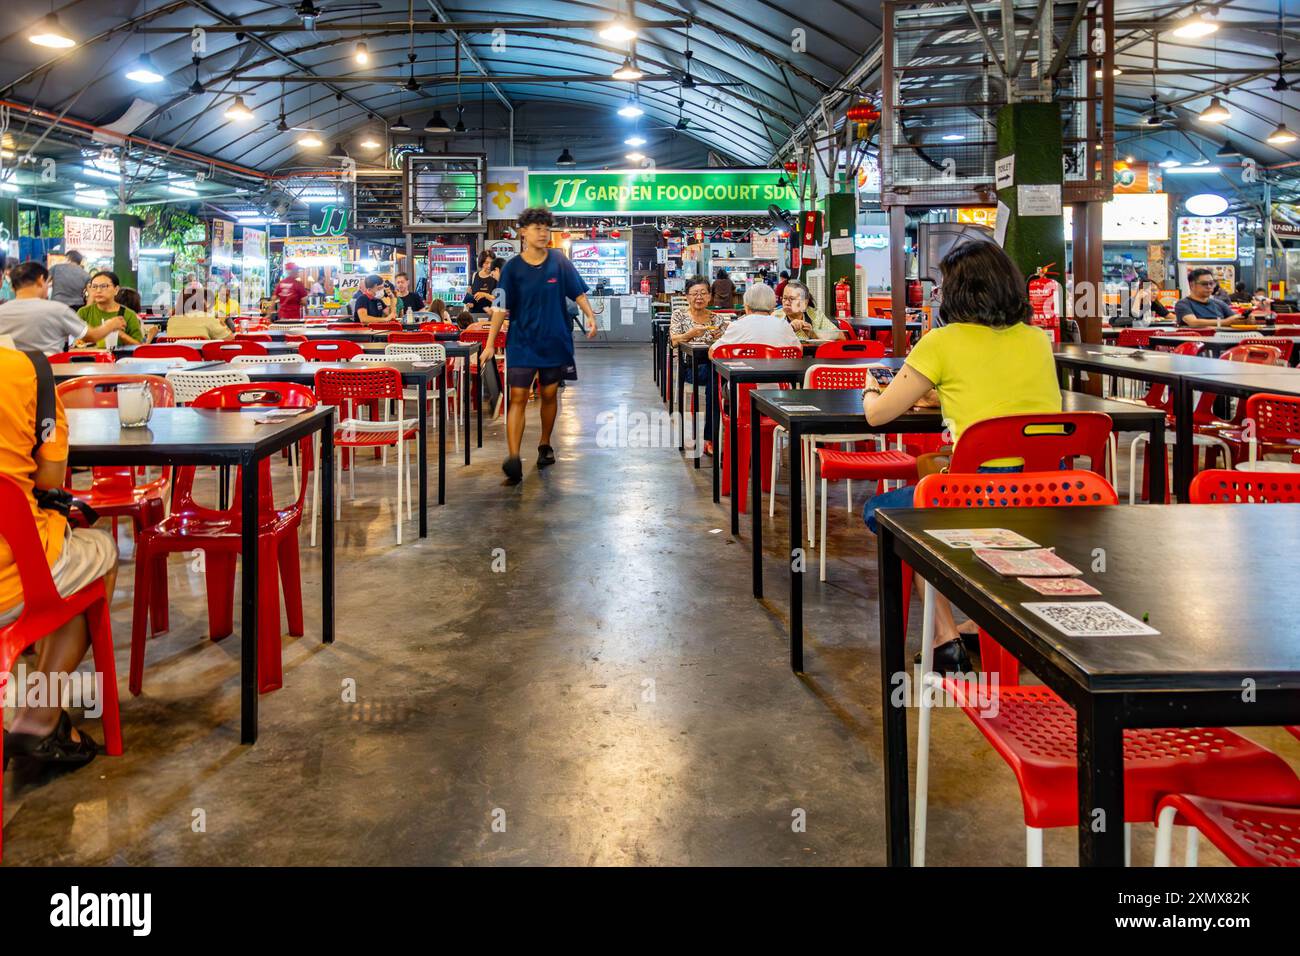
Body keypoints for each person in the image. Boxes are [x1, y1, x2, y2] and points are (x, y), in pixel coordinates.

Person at [860, 242, 1062, 672]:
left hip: (972, 497)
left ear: (958, 291)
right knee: (926, 507)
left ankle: (944, 638)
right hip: (1046, 496)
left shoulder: (941, 342)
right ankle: (983, 620)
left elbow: (878, 417)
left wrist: (870, 387)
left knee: (888, 512)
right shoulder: (1037, 339)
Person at [0, 345, 117, 767]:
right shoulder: (27, 369)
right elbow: (50, 476)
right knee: (99, 553)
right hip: (9, 584)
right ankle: (38, 714)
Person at [483, 205, 597, 482]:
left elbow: (577, 292)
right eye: (537, 228)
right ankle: (513, 457)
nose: (543, 233)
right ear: (523, 232)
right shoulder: (511, 268)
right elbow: (499, 307)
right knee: (518, 397)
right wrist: (489, 344)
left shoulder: (560, 262)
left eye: (547, 228)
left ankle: (544, 444)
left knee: (548, 394)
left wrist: (591, 316)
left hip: (555, 341)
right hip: (521, 342)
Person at [0, 261, 124, 354]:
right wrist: (111, 325)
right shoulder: (57, 310)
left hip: (8, 380)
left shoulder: (2, 311)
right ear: (40, 280)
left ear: (12, 287)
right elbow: (90, 336)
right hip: (48, 376)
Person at [670, 277, 728, 451]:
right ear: (687, 297)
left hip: (714, 367)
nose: (699, 297)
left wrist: (722, 339)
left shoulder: (717, 319)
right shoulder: (679, 315)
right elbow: (673, 341)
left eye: (703, 293)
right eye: (694, 293)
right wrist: (691, 333)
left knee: (717, 375)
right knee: (716, 377)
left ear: (710, 296)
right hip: (690, 368)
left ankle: (722, 435)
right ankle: (711, 439)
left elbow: (728, 342)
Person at [707, 283, 801, 355]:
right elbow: (799, 351)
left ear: (746, 307)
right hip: (780, 380)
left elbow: (713, 352)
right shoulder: (784, 325)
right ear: (773, 307)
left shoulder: (737, 325)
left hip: (743, 379)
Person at [78, 271, 145, 348]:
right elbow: (74, 341)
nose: (98, 290)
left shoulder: (128, 314)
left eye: (104, 286)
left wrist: (121, 335)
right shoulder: (84, 312)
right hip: (89, 358)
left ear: (116, 290)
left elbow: (139, 347)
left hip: (119, 359)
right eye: (94, 286)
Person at [777, 279, 844, 341]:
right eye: (784, 298)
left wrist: (813, 334)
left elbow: (841, 336)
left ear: (804, 303)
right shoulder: (776, 316)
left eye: (792, 299)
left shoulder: (816, 315)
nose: (786, 303)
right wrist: (788, 329)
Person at [165, 287, 233, 340]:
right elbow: (230, 338)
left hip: (176, 357)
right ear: (201, 301)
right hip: (202, 357)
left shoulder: (171, 321)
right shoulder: (208, 318)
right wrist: (221, 321)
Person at [464, 250, 498, 315]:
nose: (489, 266)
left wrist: (485, 295)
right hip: (474, 315)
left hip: (492, 316)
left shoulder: (496, 277)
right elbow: (470, 296)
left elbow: (499, 300)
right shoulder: (474, 276)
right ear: (481, 263)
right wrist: (470, 303)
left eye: (491, 262)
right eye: (486, 263)